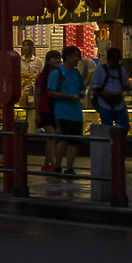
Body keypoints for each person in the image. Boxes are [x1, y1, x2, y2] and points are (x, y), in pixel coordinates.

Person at [46, 46, 87, 181]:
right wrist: (68, 96)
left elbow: (82, 88)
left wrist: (81, 94)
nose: (78, 59)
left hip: (76, 112)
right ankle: (57, 166)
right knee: (63, 139)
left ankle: (70, 168)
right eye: (75, 56)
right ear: (68, 57)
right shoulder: (57, 73)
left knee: (73, 142)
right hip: (62, 112)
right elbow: (51, 92)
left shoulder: (77, 74)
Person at [33, 49, 63, 173]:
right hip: (44, 108)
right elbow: (37, 96)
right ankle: (54, 164)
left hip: (56, 108)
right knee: (51, 135)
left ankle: (46, 163)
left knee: (52, 137)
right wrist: (37, 113)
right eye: (54, 58)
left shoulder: (60, 75)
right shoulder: (42, 76)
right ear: (48, 60)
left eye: (59, 58)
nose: (57, 60)